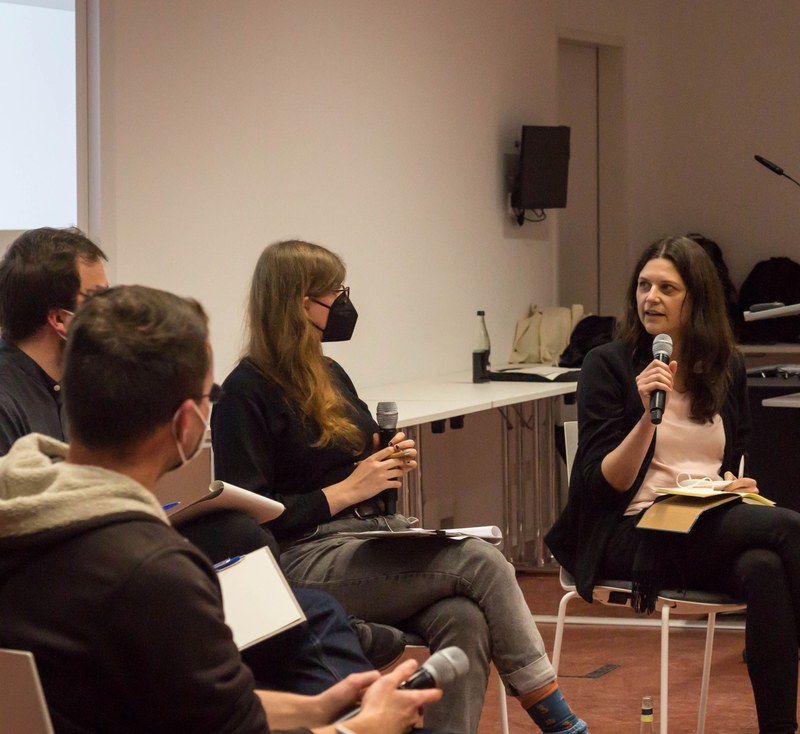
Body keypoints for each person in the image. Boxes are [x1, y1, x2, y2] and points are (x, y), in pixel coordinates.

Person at [0, 285, 442, 734]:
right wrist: (365, 728)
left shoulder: (22, 517)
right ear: (188, 423)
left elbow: (201, 709)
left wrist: (321, 709)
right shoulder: (152, 572)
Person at [211, 239, 590, 734]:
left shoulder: (329, 373)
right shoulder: (244, 393)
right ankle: (555, 716)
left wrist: (387, 456)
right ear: (303, 303)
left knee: (463, 618)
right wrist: (346, 490)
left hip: (369, 538)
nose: (345, 304)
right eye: (336, 293)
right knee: (479, 559)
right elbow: (249, 518)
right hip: (302, 558)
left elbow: (358, 452)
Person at [545, 235, 800, 734]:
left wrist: (735, 484)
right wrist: (646, 418)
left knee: (765, 568)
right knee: (788, 528)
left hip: (705, 516)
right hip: (630, 527)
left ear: (696, 298)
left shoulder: (726, 365)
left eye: (667, 287)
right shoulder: (608, 364)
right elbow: (601, 485)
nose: (650, 298)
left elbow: (733, 454)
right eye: (643, 285)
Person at [0, 227, 108, 455]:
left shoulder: (77, 385)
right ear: (60, 318)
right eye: (98, 298)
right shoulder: (5, 402)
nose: (109, 309)